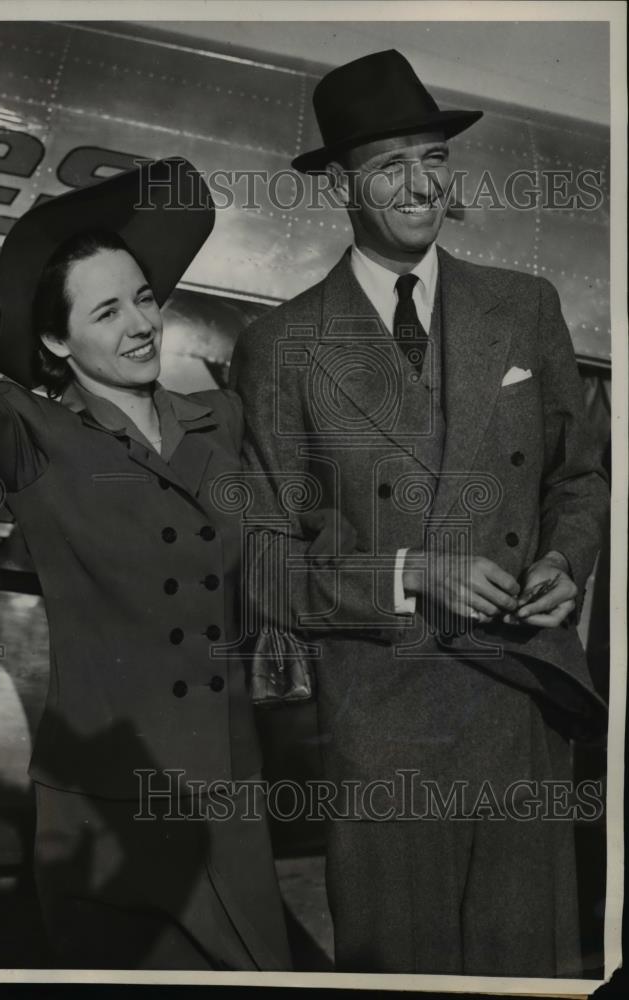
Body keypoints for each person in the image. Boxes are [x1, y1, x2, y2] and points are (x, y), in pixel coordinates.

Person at [230, 51, 609, 976]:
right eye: (389, 163)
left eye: (432, 159)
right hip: (384, 717)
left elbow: (576, 479)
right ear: (342, 186)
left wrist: (564, 565)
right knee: (405, 968)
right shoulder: (281, 346)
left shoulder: (522, 307)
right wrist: (412, 577)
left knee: (531, 968)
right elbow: (265, 564)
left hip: (524, 698)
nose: (418, 183)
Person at [0, 158, 291, 971]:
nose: (142, 324)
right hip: (106, 813)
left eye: (144, 297)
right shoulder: (33, 437)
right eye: (106, 312)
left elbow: (269, 547)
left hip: (227, 796)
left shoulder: (221, 418)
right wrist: (22, 294)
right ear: (56, 338)